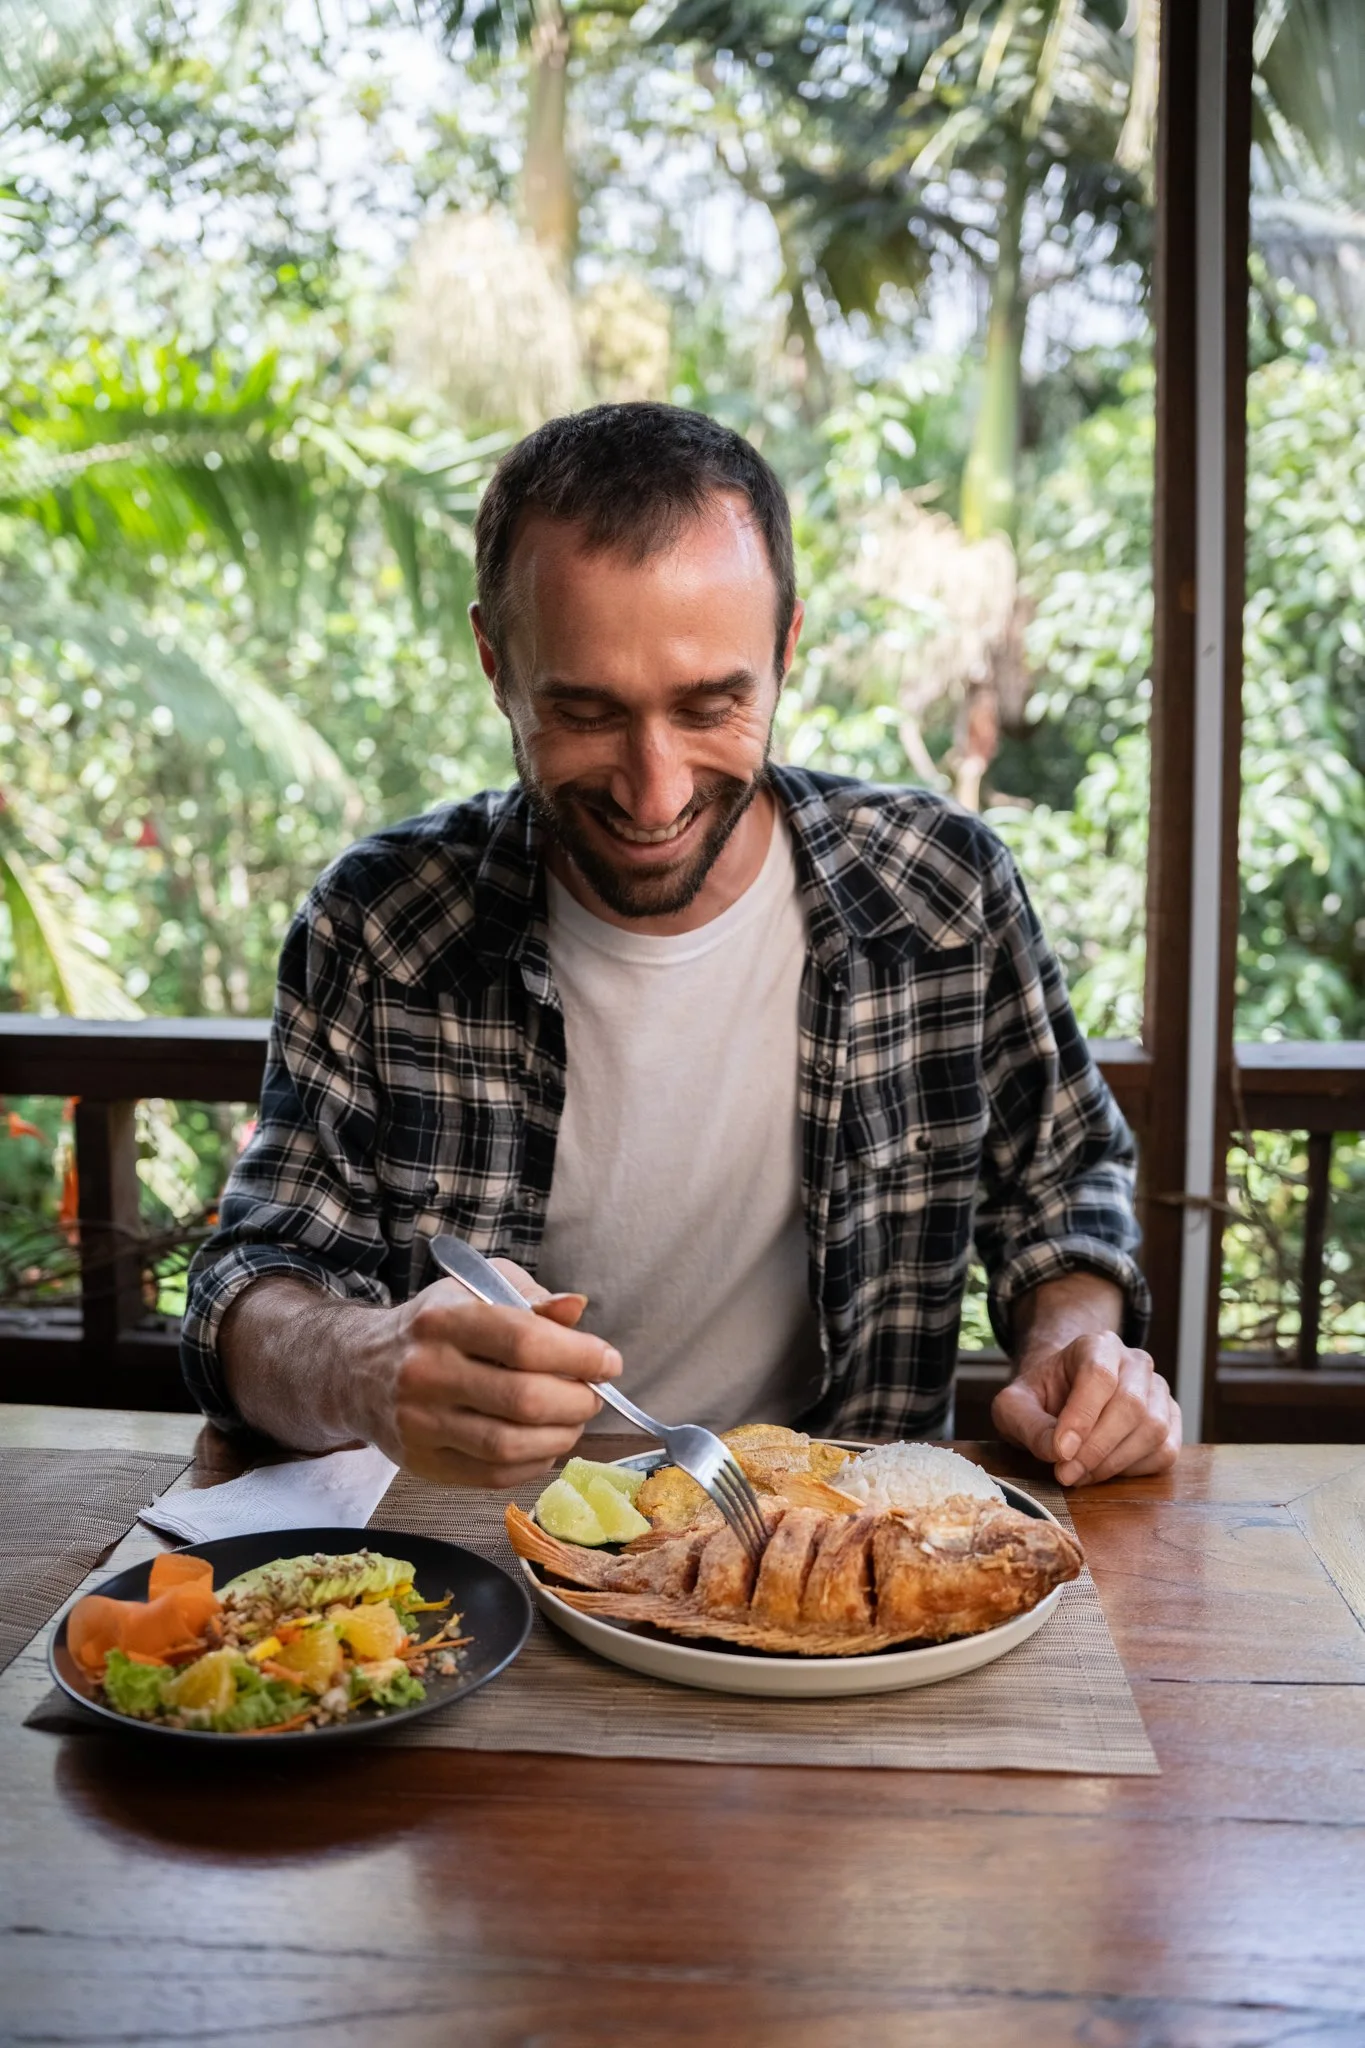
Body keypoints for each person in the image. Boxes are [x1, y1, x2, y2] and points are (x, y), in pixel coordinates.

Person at [182, 402, 1181, 1492]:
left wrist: (1073, 1345)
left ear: (786, 648)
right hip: (476, 1559)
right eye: (586, 713)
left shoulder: (945, 891)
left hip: (842, 1553)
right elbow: (250, 1282)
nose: (654, 791)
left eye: (712, 704)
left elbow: (1064, 1180)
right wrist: (362, 1366)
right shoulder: (379, 923)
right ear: (495, 662)